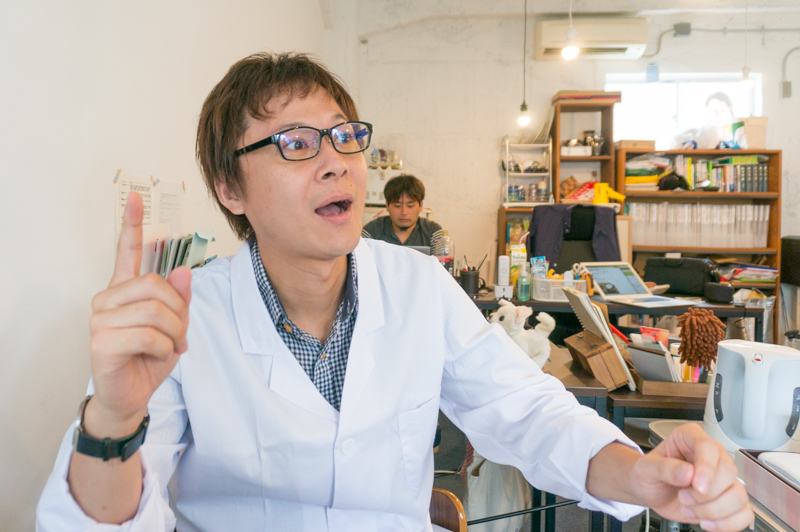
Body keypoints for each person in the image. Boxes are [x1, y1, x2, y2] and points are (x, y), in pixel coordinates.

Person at [37, 52, 753, 532]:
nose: (337, 163)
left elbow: (530, 415)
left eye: (345, 137)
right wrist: (113, 419)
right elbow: (101, 522)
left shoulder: (417, 285)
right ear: (230, 187)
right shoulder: (184, 317)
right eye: (296, 144)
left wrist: (643, 476)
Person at [362, 173, 443, 247]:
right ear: (387, 206)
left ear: (421, 206)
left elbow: (442, 258)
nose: (404, 212)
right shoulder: (371, 232)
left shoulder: (433, 233)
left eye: (410, 206)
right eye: (397, 206)